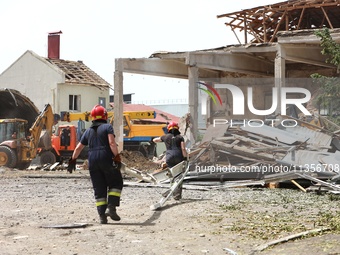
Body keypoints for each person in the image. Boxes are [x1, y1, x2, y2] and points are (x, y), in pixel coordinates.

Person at [68, 105, 123, 224]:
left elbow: (78, 148)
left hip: (92, 160)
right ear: (105, 116)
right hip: (106, 157)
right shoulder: (108, 127)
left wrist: (72, 160)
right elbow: (112, 143)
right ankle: (111, 208)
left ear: (92, 117)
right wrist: (117, 157)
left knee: (99, 187)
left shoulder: (88, 131)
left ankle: (102, 216)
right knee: (116, 181)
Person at [153, 121, 187, 200]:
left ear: (168, 129)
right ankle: (177, 195)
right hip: (179, 157)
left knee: (172, 175)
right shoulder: (180, 137)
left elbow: (155, 140)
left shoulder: (165, 136)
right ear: (177, 128)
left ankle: (172, 192)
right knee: (179, 176)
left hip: (169, 157)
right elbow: (183, 148)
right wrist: (185, 158)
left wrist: (160, 139)